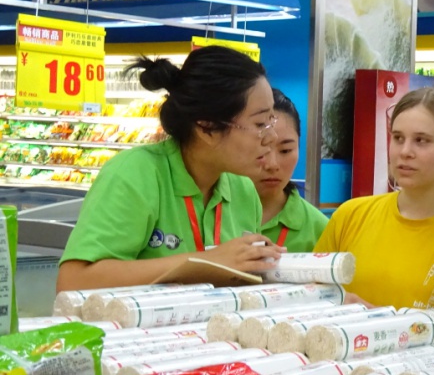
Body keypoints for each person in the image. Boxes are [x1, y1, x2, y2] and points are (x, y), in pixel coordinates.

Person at [57, 46, 284, 291]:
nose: (271, 137)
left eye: (272, 119)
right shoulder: (134, 175)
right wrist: (205, 262)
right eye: (260, 123)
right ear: (206, 127)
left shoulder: (243, 189)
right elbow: (73, 281)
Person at [314, 85, 434, 309]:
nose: (405, 151)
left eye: (421, 140)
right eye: (397, 138)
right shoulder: (349, 216)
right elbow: (311, 294)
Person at [251, 89, 328, 252]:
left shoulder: (320, 229)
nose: (272, 164)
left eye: (285, 150)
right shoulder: (214, 212)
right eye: (262, 149)